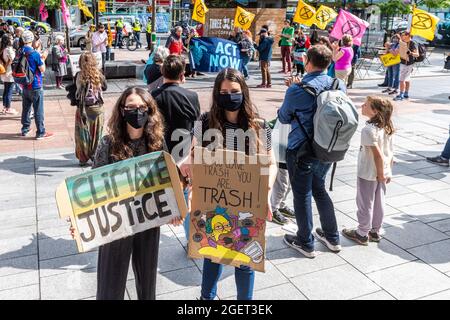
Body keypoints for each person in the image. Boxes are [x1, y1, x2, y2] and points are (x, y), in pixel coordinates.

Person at [181, 68, 275, 300]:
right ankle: (206, 298)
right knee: (213, 254)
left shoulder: (261, 126)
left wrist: (267, 192)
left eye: (234, 91)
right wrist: (187, 166)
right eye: (223, 91)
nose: (229, 96)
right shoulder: (204, 122)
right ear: (216, 93)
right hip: (215, 203)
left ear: (243, 92)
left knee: (244, 261)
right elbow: (193, 153)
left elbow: (271, 163)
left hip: (248, 202)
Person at [80, 87, 179, 300]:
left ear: (150, 110)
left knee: (147, 282)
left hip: (148, 219)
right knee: (110, 286)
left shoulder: (157, 142)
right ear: (122, 111)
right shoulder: (108, 143)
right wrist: (80, 218)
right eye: (131, 107)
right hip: (116, 223)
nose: (137, 111)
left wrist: (176, 208)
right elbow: (93, 185)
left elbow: (167, 178)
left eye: (142, 107)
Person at [278, 45, 345, 258]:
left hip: (301, 149)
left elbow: (283, 117)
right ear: (328, 63)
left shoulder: (298, 89)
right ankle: (332, 237)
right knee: (319, 188)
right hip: (327, 147)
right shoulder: (338, 84)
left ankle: (305, 241)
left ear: (307, 60)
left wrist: (292, 88)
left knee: (302, 193)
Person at [342, 97, 394, 245]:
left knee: (365, 202)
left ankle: (362, 233)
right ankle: (375, 231)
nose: (362, 106)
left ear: (375, 111)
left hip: (369, 173)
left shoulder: (368, 130)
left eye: (366, 105)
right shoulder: (387, 126)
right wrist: (387, 171)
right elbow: (390, 152)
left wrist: (380, 173)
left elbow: (377, 155)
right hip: (382, 172)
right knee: (379, 202)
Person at [151, 55, 200, 156]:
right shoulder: (192, 96)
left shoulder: (153, 95)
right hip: (184, 151)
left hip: (159, 152)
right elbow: (197, 127)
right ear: (182, 75)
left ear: (162, 72)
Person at [74, 52, 107, 167]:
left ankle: (83, 158)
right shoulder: (99, 74)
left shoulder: (78, 75)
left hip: (83, 110)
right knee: (96, 134)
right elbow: (105, 87)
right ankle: (95, 156)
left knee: (82, 134)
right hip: (97, 109)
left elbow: (75, 91)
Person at [19, 30, 53, 140]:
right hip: (35, 85)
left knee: (26, 108)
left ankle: (25, 129)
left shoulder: (20, 51)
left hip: (24, 84)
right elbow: (42, 69)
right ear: (31, 40)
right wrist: (43, 58)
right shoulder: (34, 54)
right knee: (38, 109)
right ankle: (40, 132)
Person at [393, 31, 418, 101]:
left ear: (407, 36)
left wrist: (410, 53)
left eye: (403, 35)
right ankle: (406, 94)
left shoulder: (413, 43)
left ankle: (401, 94)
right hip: (402, 62)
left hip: (409, 63)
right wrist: (396, 50)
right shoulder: (402, 43)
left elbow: (417, 54)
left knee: (402, 79)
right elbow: (396, 52)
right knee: (407, 79)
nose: (401, 36)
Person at [0, 34, 17, 115]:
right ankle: (8, 108)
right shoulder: (9, 49)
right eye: (11, 38)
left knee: (6, 90)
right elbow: (11, 60)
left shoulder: (2, 49)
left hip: (3, 71)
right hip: (9, 71)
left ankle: (4, 107)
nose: (12, 39)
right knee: (9, 90)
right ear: (8, 40)